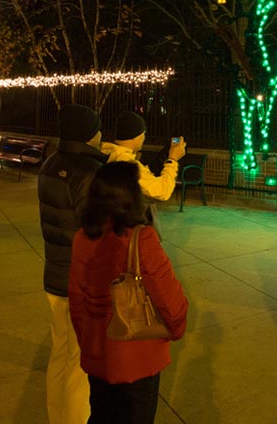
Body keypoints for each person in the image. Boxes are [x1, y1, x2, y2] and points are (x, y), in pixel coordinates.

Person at [69, 161, 188, 424]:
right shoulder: (141, 238)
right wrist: (176, 330)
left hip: (98, 353)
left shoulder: (82, 237)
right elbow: (170, 298)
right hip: (138, 355)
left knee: (101, 415)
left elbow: (76, 301)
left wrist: (87, 343)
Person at [38, 104, 107, 424]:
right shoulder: (90, 173)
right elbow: (97, 233)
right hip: (80, 281)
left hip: (54, 275)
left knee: (60, 356)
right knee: (81, 367)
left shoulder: (51, 163)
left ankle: (58, 417)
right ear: (88, 133)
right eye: (97, 128)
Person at [100, 112, 182, 228]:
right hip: (130, 227)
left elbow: (143, 179)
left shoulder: (109, 154)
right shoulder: (126, 163)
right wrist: (172, 160)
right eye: (144, 134)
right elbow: (162, 192)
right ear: (137, 136)